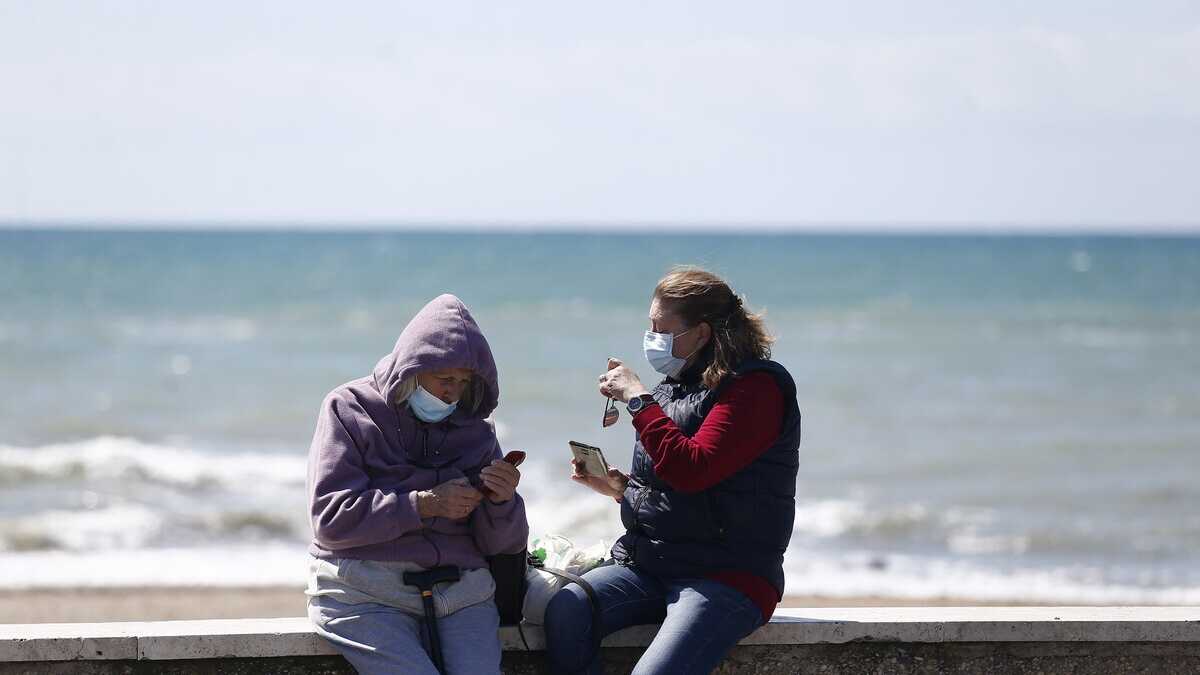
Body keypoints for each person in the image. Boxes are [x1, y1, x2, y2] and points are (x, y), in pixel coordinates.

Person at [544, 267, 802, 675]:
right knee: (567, 609)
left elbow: (692, 470)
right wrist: (619, 488)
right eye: (650, 325)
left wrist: (637, 398)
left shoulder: (755, 390)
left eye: (660, 328)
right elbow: (671, 482)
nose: (652, 337)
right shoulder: (675, 385)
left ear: (701, 334)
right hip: (653, 565)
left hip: (726, 576)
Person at [306, 294, 528, 675]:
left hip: (461, 593)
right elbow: (330, 521)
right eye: (444, 379)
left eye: (463, 382)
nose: (453, 393)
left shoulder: (477, 430)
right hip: (363, 590)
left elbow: (501, 545)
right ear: (412, 369)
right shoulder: (348, 408)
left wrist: (503, 502)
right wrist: (423, 504)